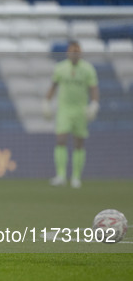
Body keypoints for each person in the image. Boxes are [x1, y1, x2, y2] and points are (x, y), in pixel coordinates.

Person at [43, 41, 99, 188]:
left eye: (77, 51)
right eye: (72, 51)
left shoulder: (88, 69)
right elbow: (53, 86)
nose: (75, 54)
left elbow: (93, 88)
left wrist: (94, 104)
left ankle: (76, 177)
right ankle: (60, 175)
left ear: (80, 53)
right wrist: (46, 103)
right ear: (68, 52)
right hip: (64, 109)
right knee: (61, 139)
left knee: (79, 142)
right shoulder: (60, 68)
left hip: (80, 109)